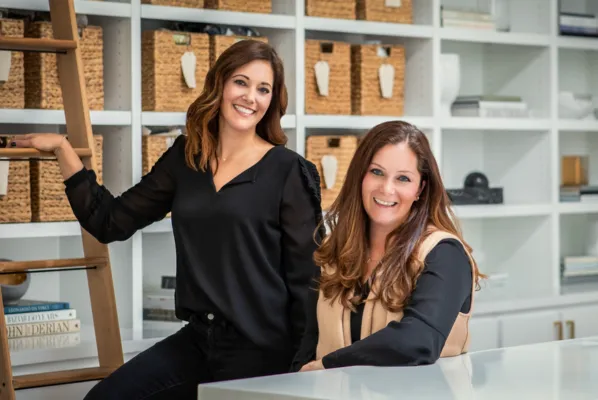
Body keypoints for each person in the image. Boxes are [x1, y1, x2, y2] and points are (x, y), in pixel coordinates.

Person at [12, 39, 324, 399]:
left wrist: (304, 368)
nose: (250, 97)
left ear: (272, 100)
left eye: (263, 89)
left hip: (264, 350)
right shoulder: (185, 158)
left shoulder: (289, 171)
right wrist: (64, 151)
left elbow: (309, 281)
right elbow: (109, 221)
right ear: (220, 85)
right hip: (198, 341)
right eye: (241, 82)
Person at [290, 120, 485, 372]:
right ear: (360, 176)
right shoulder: (333, 252)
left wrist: (329, 365)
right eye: (377, 172)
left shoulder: (444, 253)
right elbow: (309, 343)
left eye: (403, 178)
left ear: (420, 189)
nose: (387, 188)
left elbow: (418, 340)